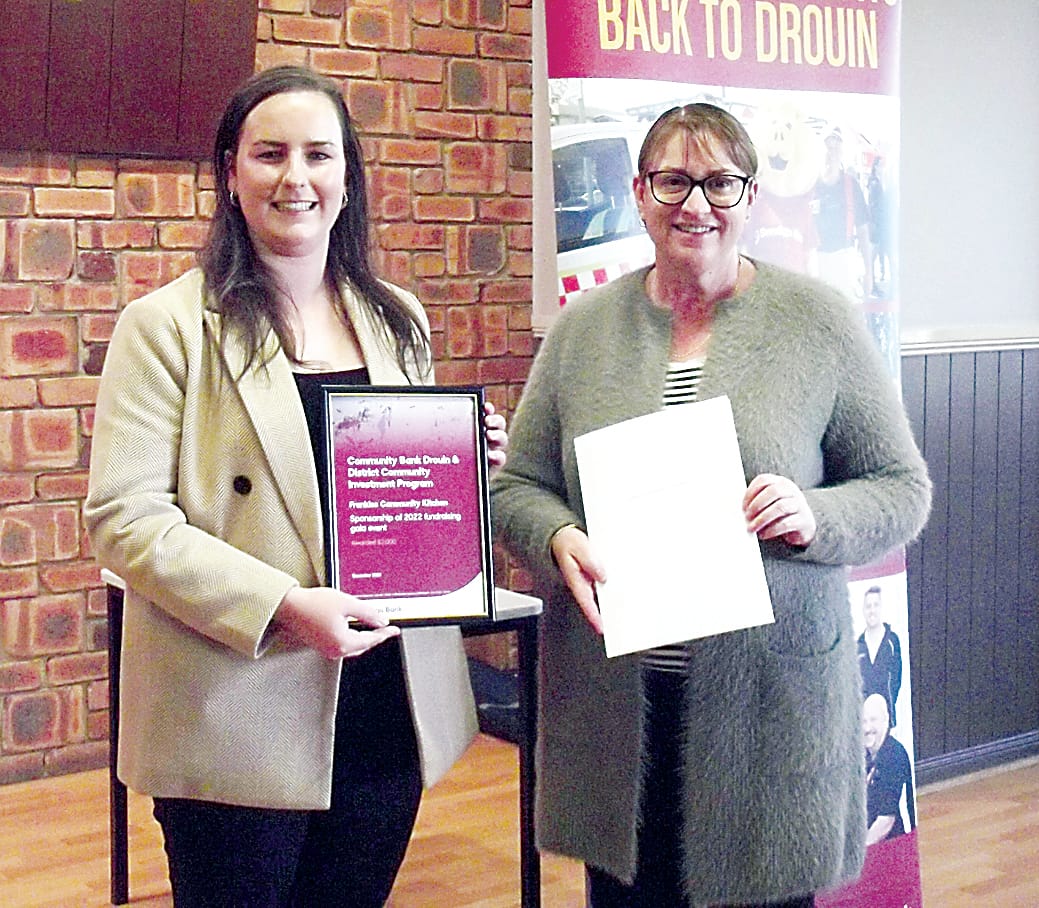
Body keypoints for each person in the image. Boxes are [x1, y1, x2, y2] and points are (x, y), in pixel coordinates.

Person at [85, 65, 507, 907]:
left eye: (318, 154)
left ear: (347, 178)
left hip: (384, 700)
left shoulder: (397, 316)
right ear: (230, 174)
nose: (295, 177)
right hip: (238, 698)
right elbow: (125, 519)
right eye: (269, 153)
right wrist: (282, 602)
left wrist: (465, 466)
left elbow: (396, 497)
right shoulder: (166, 327)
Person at [491, 103, 931, 907]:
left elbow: (901, 490)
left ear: (750, 195)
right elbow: (516, 486)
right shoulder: (581, 330)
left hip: (769, 715)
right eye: (673, 180)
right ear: (638, 192)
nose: (696, 204)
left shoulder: (816, 321)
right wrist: (554, 535)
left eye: (720, 182)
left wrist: (815, 515)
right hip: (622, 713)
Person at [812, 127, 872, 301]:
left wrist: (868, 272)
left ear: (841, 152)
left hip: (844, 258)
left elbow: (863, 230)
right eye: (828, 148)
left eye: (836, 148)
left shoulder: (851, 185)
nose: (831, 153)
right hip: (815, 260)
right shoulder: (809, 185)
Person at [863, 693, 916, 844]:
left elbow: (886, 821)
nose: (867, 728)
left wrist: (857, 854)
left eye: (873, 720)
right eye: (863, 721)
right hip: (876, 845)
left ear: (886, 720)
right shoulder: (865, 757)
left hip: (898, 845)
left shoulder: (894, 755)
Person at [856, 585, 903, 726]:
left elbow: (896, 681)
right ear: (863, 611)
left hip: (888, 723)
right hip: (864, 727)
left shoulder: (892, 641)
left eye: (875, 605)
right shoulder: (858, 646)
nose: (872, 610)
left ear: (881, 608)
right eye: (868, 606)